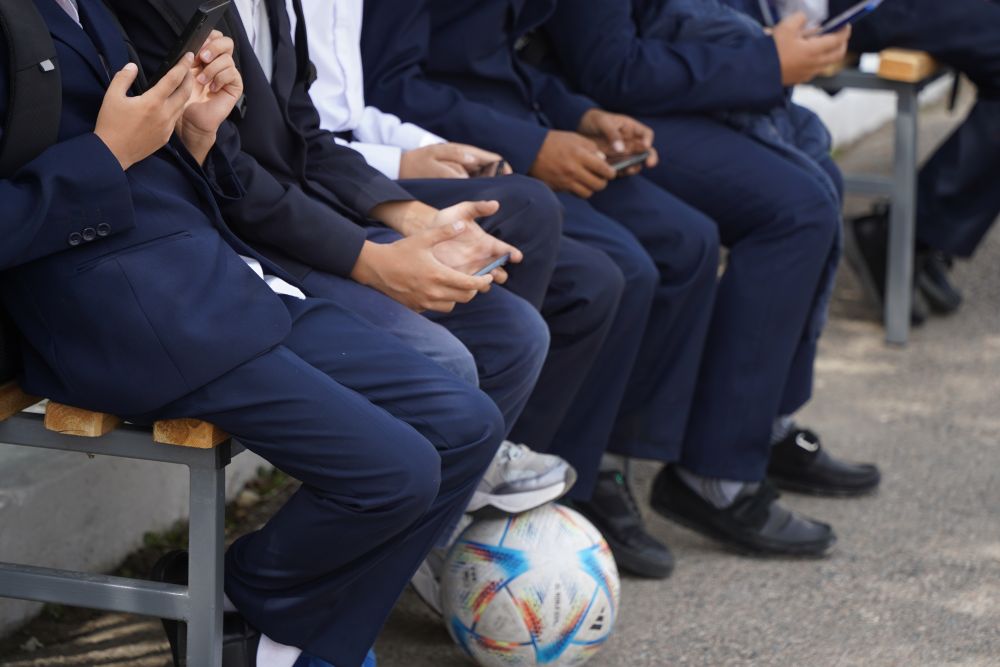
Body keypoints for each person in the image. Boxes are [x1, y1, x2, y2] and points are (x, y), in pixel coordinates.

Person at [1, 2, 507, 666]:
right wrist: (108, 154)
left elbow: (149, 168)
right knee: (398, 472)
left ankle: (249, 616)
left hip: (214, 271)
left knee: (467, 422)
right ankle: (283, 636)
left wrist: (194, 136)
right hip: (119, 312)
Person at [109, 0, 586, 518]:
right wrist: (371, 261)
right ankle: (305, 569)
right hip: (244, 245)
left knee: (517, 333)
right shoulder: (170, 9)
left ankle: (439, 531)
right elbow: (233, 180)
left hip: (299, 217)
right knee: (445, 364)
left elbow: (304, 135)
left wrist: (412, 217)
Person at [362, 0, 731, 578]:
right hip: (435, 149)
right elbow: (389, 86)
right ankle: (491, 507)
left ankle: (595, 466)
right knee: (611, 273)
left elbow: (502, 63)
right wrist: (532, 147)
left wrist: (578, 117)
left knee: (686, 242)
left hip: (516, 128)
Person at [536, 0, 881, 556]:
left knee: (819, 175)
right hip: (593, 109)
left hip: (667, 89)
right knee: (797, 207)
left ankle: (761, 423)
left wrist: (775, 44)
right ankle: (715, 474)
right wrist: (762, 64)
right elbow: (609, 68)